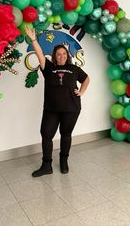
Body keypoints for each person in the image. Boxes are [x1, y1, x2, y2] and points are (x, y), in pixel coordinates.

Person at [25, 26, 90, 177]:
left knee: (66, 134)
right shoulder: (48, 68)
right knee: (46, 134)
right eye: (58, 54)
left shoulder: (74, 69)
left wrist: (82, 91)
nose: (61, 56)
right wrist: (34, 39)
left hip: (71, 108)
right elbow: (40, 54)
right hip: (51, 109)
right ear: (54, 56)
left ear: (67, 55)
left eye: (63, 54)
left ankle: (63, 161)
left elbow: (86, 79)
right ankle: (46, 165)